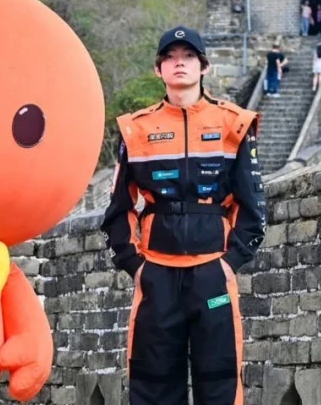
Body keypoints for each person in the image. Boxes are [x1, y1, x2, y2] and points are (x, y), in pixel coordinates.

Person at [102, 26, 265, 405]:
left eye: (188, 56)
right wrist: (135, 265)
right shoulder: (136, 129)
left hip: (213, 276)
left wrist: (231, 262)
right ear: (158, 69)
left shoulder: (234, 123)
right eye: (171, 57)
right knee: (152, 384)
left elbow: (253, 204)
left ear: (203, 66)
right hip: (156, 276)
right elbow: (118, 207)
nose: (180, 63)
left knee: (220, 381)